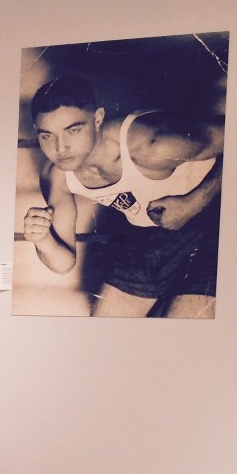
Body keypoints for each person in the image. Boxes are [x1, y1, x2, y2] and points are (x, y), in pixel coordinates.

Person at [22, 74, 223, 318]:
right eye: (46, 135)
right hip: (148, 240)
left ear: (97, 118)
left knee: (183, 331)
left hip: (214, 224)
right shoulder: (57, 175)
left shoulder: (151, 143)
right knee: (104, 334)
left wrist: (194, 203)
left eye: (73, 130)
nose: (60, 147)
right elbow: (63, 263)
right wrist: (43, 239)